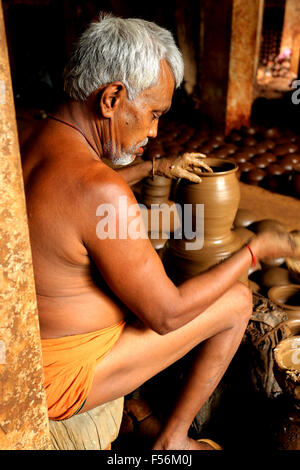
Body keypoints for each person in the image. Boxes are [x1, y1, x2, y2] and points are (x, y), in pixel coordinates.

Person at [21, 14, 299, 450]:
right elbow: (166, 315)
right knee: (236, 298)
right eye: (152, 113)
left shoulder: (29, 137)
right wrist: (252, 252)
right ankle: (173, 440)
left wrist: (154, 168)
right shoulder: (100, 191)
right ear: (111, 98)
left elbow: (68, 195)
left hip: (31, 348)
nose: (153, 131)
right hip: (57, 379)